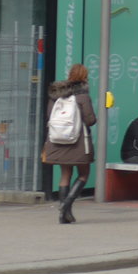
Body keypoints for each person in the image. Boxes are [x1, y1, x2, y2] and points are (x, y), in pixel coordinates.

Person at [42, 63, 97, 224]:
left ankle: (65, 213)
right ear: (84, 77)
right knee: (84, 174)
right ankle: (66, 205)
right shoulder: (83, 96)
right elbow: (90, 120)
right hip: (78, 142)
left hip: (57, 140)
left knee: (65, 174)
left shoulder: (56, 95)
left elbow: (48, 116)